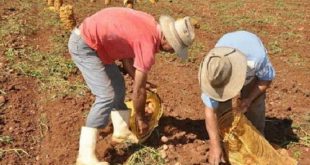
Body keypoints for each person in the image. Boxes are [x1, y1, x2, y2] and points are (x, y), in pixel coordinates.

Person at [68, 7, 195, 165]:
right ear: (166, 38)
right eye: (174, 47)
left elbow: (127, 56)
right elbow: (139, 90)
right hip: (85, 46)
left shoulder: (149, 23)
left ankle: (121, 131)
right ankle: (85, 156)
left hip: (98, 45)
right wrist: (141, 118)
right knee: (106, 95)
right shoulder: (147, 43)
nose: (172, 52)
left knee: (118, 86)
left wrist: (139, 78)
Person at [198, 31, 275, 165]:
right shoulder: (214, 68)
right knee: (221, 109)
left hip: (251, 65)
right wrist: (215, 146)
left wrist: (249, 99)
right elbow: (210, 110)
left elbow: (266, 80)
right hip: (227, 58)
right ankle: (227, 145)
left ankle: (258, 144)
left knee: (255, 106)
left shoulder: (256, 59)